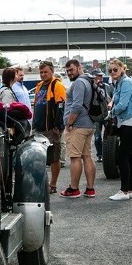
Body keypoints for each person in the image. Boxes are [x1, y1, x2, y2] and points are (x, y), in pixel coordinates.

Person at [106, 62, 132, 200]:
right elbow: (117, 101)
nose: (112, 72)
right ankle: (130, 190)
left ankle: (124, 191)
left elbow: (122, 105)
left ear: (123, 68)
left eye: (115, 69)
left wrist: (111, 113)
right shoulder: (118, 83)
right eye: (110, 70)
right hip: (130, 122)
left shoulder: (127, 82)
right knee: (129, 157)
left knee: (122, 157)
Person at [60, 59, 97, 198]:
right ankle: (90, 189)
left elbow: (77, 105)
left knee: (75, 158)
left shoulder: (79, 83)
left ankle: (74, 189)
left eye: (72, 70)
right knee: (87, 156)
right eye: (67, 71)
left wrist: (69, 123)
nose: (69, 73)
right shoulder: (88, 80)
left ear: (79, 68)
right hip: (89, 124)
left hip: (77, 126)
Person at [33, 61, 66, 193]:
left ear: (52, 71)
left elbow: (61, 106)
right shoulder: (39, 86)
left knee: (54, 157)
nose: (43, 74)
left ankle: (53, 185)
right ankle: (41, 183)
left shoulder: (57, 85)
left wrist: (57, 125)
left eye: (45, 72)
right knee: (39, 157)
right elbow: (36, 105)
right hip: (38, 128)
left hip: (52, 128)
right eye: (41, 72)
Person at [92, 65, 115, 162]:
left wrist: (111, 104)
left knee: (109, 135)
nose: (100, 78)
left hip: (107, 114)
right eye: (98, 76)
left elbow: (114, 98)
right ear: (94, 77)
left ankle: (109, 154)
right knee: (97, 137)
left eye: (101, 76)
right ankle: (100, 154)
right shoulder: (91, 88)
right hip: (97, 115)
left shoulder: (107, 87)